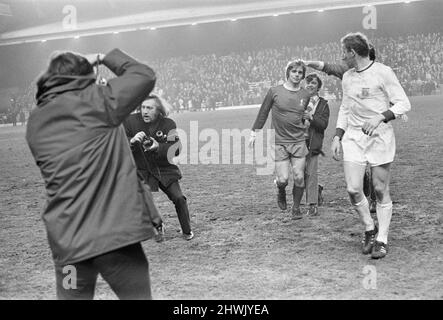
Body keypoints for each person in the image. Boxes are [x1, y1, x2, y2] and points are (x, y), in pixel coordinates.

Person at [26, 49, 161, 299]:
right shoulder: (99, 102)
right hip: (115, 240)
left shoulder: (35, 122)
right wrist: (102, 57)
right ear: (84, 77)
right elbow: (144, 75)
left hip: (68, 244)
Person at [330, 32, 411, 259]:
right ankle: (369, 228)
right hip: (354, 138)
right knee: (353, 188)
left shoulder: (383, 72)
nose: (342, 56)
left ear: (352, 52)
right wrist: (337, 136)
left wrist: (381, 117)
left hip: (379, 137)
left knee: (379, 189)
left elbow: (404, 103)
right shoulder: (347, 77)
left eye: (343, 52)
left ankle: (382, 239)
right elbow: (345, 109)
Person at [301, 44, 377, 213]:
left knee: (373, 161)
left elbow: (388, 92)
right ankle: (366, 192)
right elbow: (326, 66)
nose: (345, 57)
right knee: (360, 163)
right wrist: (307, 62)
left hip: (375, 122)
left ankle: (372, 199)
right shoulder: (347, 71)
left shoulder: (380, 74)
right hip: (354, 122)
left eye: (349, 54)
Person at [124, 95, 194, 241]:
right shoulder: (130, 121)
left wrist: (158, 147)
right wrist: (132, 140)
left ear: (158, 110)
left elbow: (176, 148)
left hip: (164, 169)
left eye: (149, 108)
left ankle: (186, 230)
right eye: (143, 107)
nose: (145, 111)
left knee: (179, 198)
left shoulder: (168, 124)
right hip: (142, 170)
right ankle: (158, 225)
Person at [249, 61, 312, 219]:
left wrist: (307, 120)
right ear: (288, 73)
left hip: (298, 141)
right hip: (279, 142)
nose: (297, 74)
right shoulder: (274, 91)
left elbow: (303, 117)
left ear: (302, 76)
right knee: (283, 179)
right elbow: (263, 112)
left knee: (299, 176)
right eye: (294, 71)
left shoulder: (305, 95)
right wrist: (254, 132)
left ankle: (296, 208)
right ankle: (281, 189)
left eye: (300, 72)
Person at [301, 74, 330, 216]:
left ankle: (312, 204)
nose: (310, 85)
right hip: (297, 141)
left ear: (318, 86)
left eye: (313, 83)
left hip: (313, 142)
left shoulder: (323, 104)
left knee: (311, 172)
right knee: (299, 174)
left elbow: (323, 125)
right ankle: (316, 189)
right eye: (308, 82)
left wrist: (311, 118)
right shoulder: (298, 101)